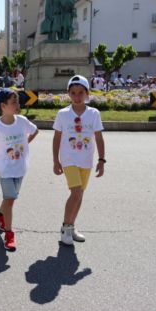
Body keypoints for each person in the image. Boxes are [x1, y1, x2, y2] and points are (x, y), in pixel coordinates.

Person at [52, 75, 105, 245]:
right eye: (73, 93)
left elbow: (99, 137)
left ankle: (72, 227)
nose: (77, 96)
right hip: (68, 160)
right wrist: (55, 160)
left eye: (80, 92)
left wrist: (102, 160)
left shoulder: (94, 113)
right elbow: (56, 138)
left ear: (87, 93)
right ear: (68, 94)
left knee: (80, 195)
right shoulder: (62, 114)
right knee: (75, 193)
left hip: (86, 160)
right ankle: (65, 228)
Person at [0, 88, 39, 251]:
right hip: (5, 170)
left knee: (11, 200)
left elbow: (35, 131)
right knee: (9, 200)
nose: (17, 104)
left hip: (20, 168)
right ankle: (9, 234)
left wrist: (25, 145)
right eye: (13, 102)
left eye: (17, 101)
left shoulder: (22, 121)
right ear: (3, 105)